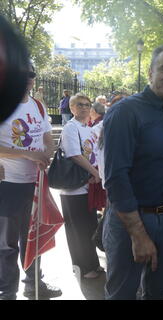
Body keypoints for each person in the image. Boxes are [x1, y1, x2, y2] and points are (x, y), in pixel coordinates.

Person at [103, 45, 163, 300]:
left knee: (157, 292)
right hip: (131, 220)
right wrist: (138, 234)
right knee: (122, 294)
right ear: (150, 72)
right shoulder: (125, 112)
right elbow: (116, 178)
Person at [0, 63, 62, 300]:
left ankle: (34, 285)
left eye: (30, 74)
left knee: (33, 238)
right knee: (7, 244)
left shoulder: (37, 105)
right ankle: (7, 291)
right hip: (8, 184)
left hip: (35, 183)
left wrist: (46, 151)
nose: (26, 78)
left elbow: (46, 134)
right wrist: (28, 154)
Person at [59, 93, 102, 279]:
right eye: (80, 104)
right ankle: (83, 267)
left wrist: (95, 174)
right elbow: (74, 155)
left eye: (87, 104)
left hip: (88, 186)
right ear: (72, 108)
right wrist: (94, 173)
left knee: (90, 226)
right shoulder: (70, 128)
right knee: (77, 229)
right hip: (73, 188)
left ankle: (93, 263)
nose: (84, 107)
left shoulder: (89, 128)